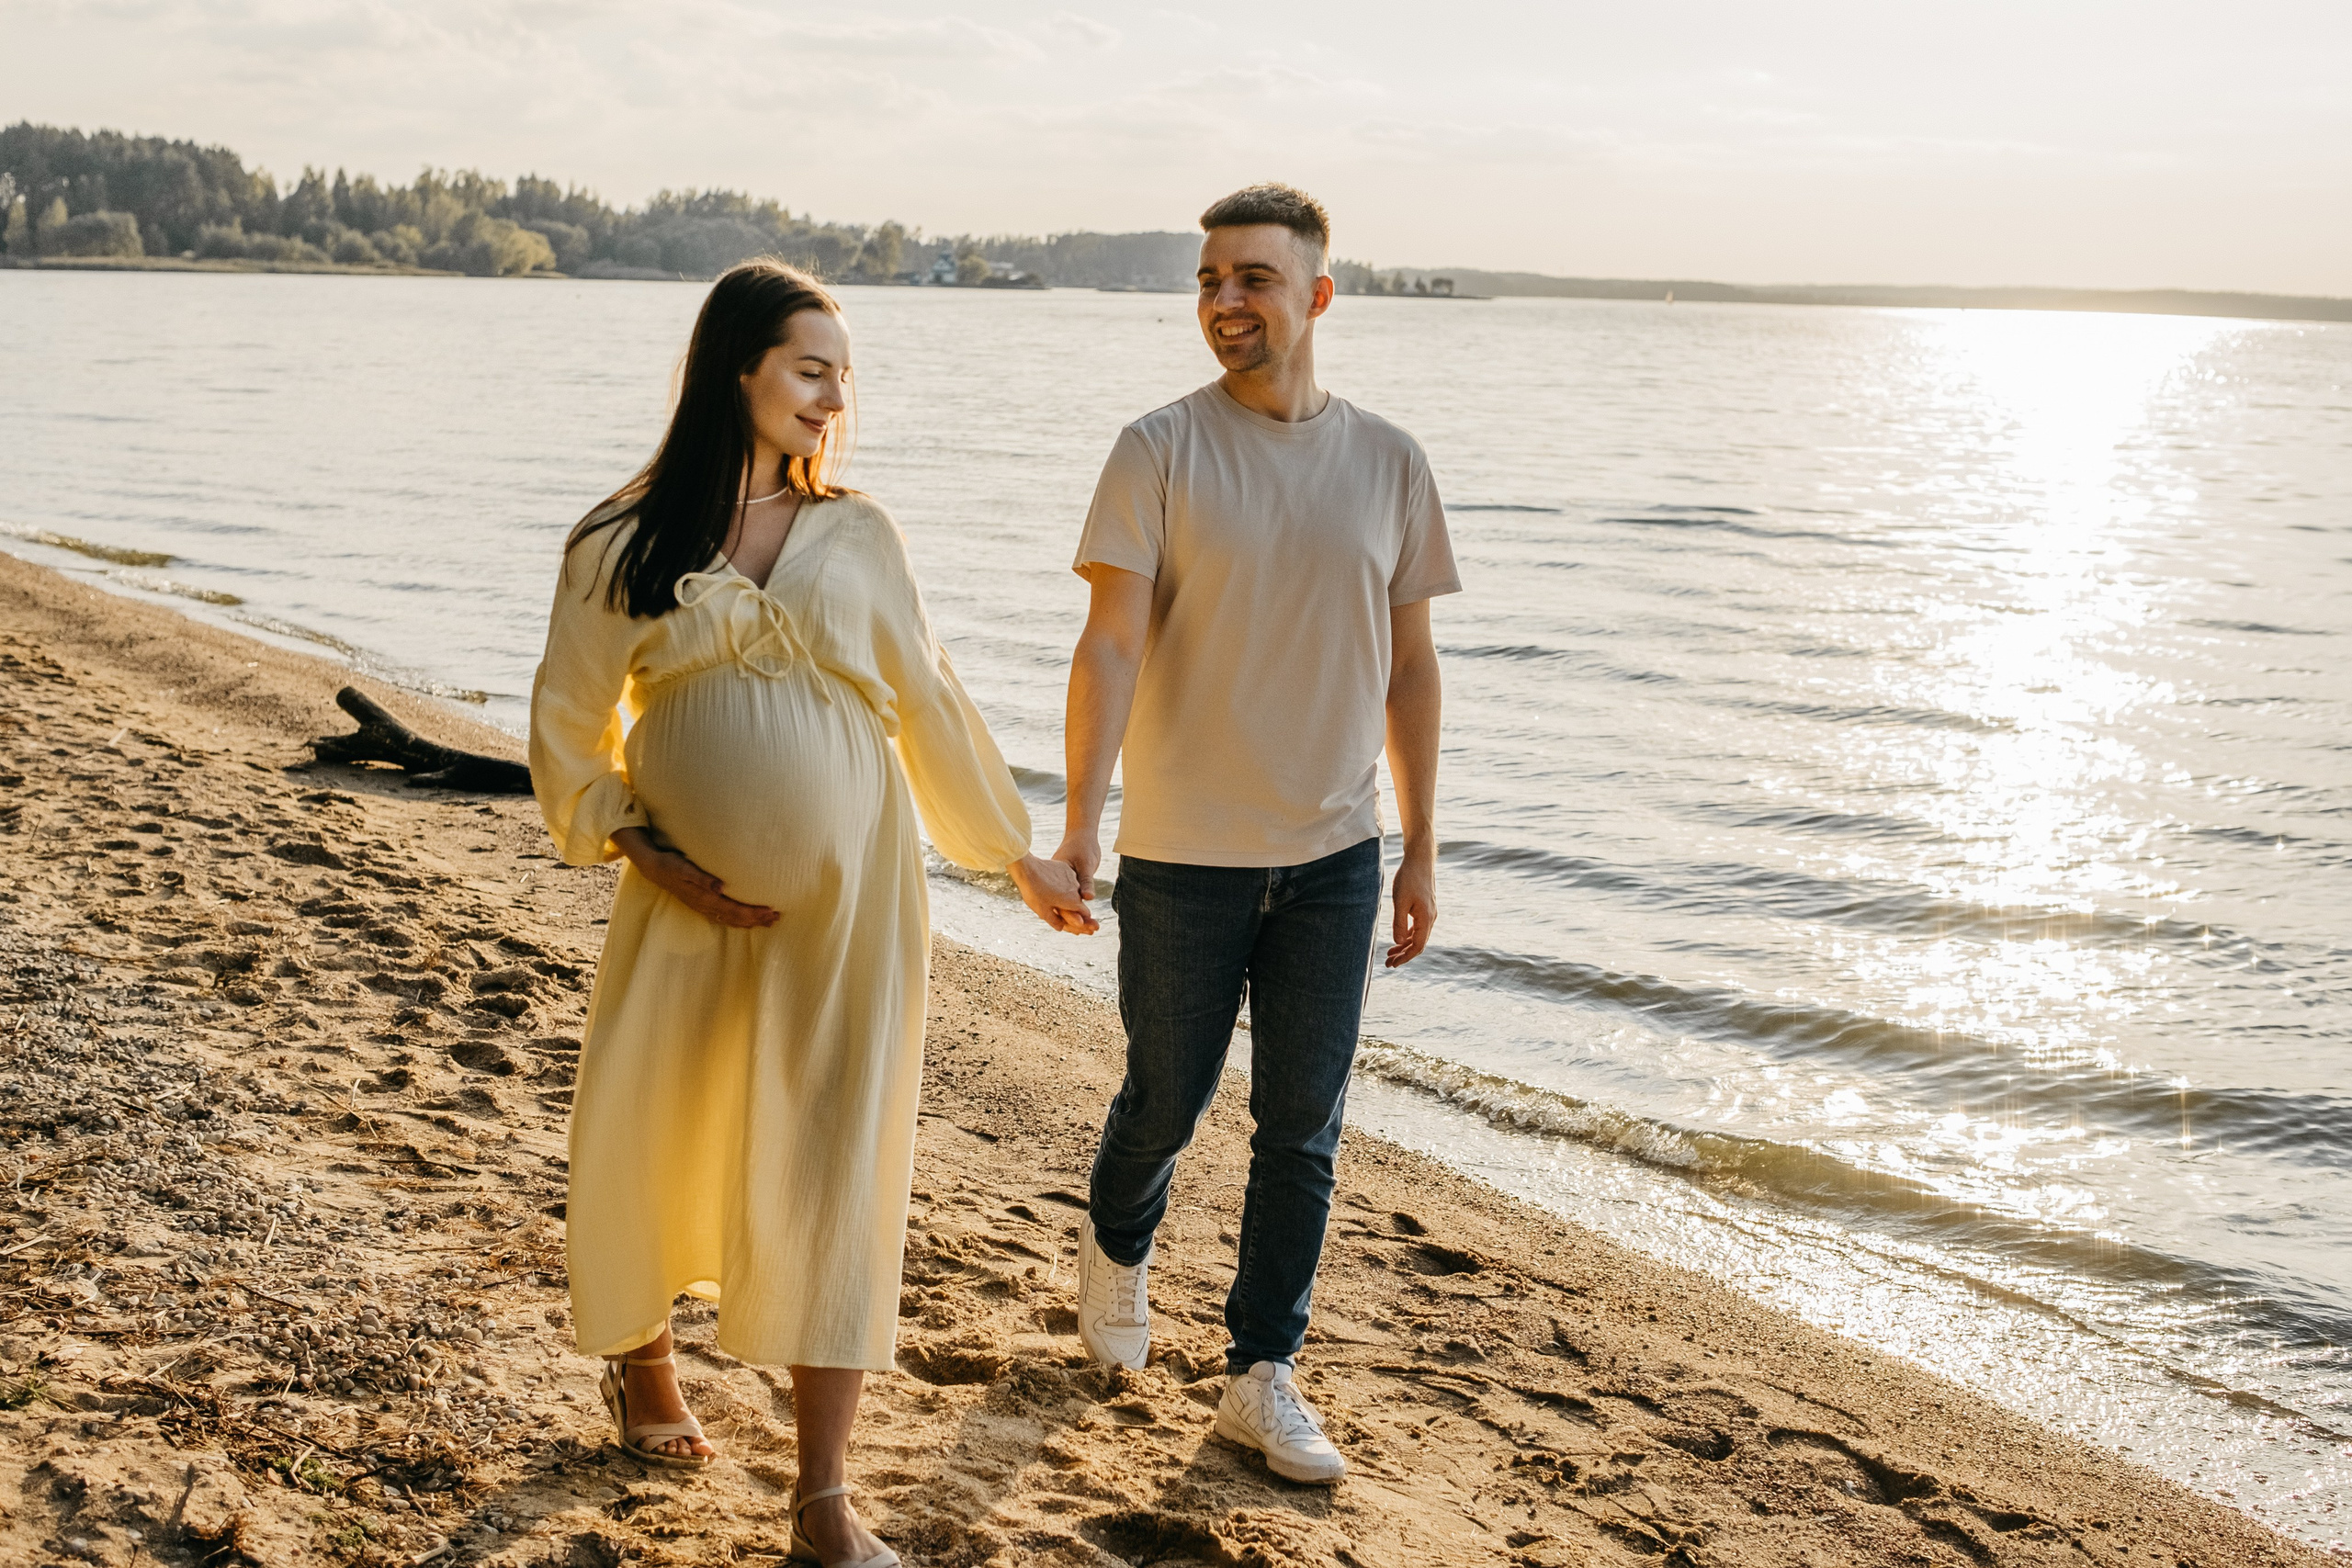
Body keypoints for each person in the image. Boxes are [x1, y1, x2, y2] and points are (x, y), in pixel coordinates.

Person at [529, 260, 1091, 1568]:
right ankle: (642, 1364)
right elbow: (569, 723)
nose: (835, 398)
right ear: (738, 368)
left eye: (846, 375)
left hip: (849, 918)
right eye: (810, 369)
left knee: (836, 1168)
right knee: (649, 1128)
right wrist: (639, 844)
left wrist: (1017, 856)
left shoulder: (861, 537)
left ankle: (822, 1498)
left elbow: (928, 700)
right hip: (686, 908)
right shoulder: (622, 542)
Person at [1055, 185, 1458, 1484]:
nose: (1226, 302)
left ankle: (1260, 1371)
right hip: (1181, 858)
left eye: (1256, 280)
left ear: (1318, 296)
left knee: (1303, 1128)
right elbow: (1111, 643)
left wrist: (1423, 846)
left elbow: (1412, 669)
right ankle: (1117, 1251)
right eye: (1211, 279)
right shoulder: (1158, 449)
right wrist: (1079, 827)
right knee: (1163, 1102)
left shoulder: (1390, 463)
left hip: (1337, 858)